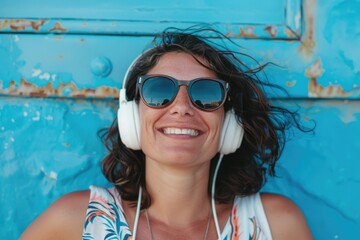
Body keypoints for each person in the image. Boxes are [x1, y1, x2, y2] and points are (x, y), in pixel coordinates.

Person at [20, 26, 314, 240]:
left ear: (229, 123)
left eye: (206, 94)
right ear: (132, 117)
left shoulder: (276, 225)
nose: (182, 107)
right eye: (160, 90)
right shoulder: (74, 222)